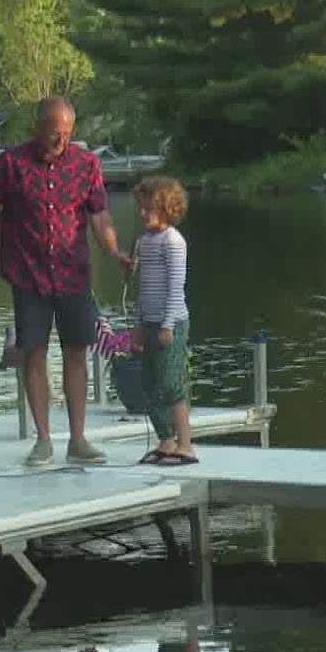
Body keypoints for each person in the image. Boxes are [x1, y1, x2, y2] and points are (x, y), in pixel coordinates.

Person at [0, 97, 129, 466]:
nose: (59, 140)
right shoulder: (12, 163)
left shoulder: (85, 164)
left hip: (72, 272)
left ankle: (78, 440)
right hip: (27, 272)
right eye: (53, 132)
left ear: (72, 130)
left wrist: (113, 251)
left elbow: (99, 215)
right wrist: (11, 231)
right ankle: (43, 439)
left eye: (65, 133)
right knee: (34, 353)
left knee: (77, 352)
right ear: (38, 127)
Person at [130, 177, 195, 466]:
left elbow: (175, 285)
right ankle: (165, 440)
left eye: (149, 209)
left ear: (167, 209)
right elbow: (142, 287)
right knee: (150, 383)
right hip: (150, 322)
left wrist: (168, 324)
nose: (143, 214)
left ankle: (185, 444)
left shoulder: (173, 241)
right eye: (141, 208)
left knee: (172, 384)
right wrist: (138, 323)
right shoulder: (144, 242)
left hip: (172, 323)